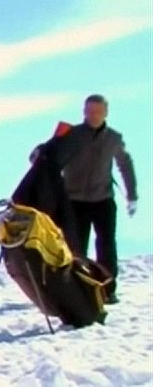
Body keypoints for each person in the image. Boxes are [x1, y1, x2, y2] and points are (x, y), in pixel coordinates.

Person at [38, 95, 138, 304]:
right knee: (75, 248)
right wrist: (40, 153)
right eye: (89, 111)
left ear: (105, 113)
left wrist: (132, 195)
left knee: (106, 246)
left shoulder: (114, 138)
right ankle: (80, 289)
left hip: (103, 200)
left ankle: (108, 290)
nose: (92, 115)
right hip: (74, 201)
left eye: (97, 111)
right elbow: (44, 154)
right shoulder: (71, 134)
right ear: (84, 112)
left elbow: (125, 164)